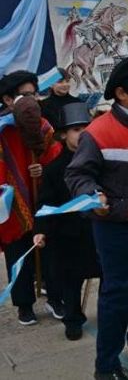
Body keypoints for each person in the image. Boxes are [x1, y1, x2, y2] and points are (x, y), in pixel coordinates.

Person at [66, 55, 128, 380]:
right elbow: (77, 175)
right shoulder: (98, 133)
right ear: (122, 93)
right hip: (114, 225)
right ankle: (106, 366)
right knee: (117, 293)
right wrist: (90, 194)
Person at [0, 70, 63, 326]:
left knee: (51, 248)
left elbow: (56, 156)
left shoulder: (44, 125)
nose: (31, 100)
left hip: (43, 197)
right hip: (14, 201)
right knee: (19, 251)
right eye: (24, 95)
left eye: (33, 94)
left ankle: (55, 297)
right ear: (7, 99)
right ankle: (24, 304)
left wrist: (44, 169)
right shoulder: (2, 130)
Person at [34, 102, 99, 340]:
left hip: (96, 231)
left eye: (86, 128)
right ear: (63, 134)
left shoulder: (99, 162)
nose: (82, 134)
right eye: (76, 129)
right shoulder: (53, 170)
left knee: (109, 276)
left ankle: (110, 313)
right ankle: (73, 318)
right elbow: (45, 204)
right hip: (68, 236)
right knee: (71, 282)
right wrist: (40, 230)